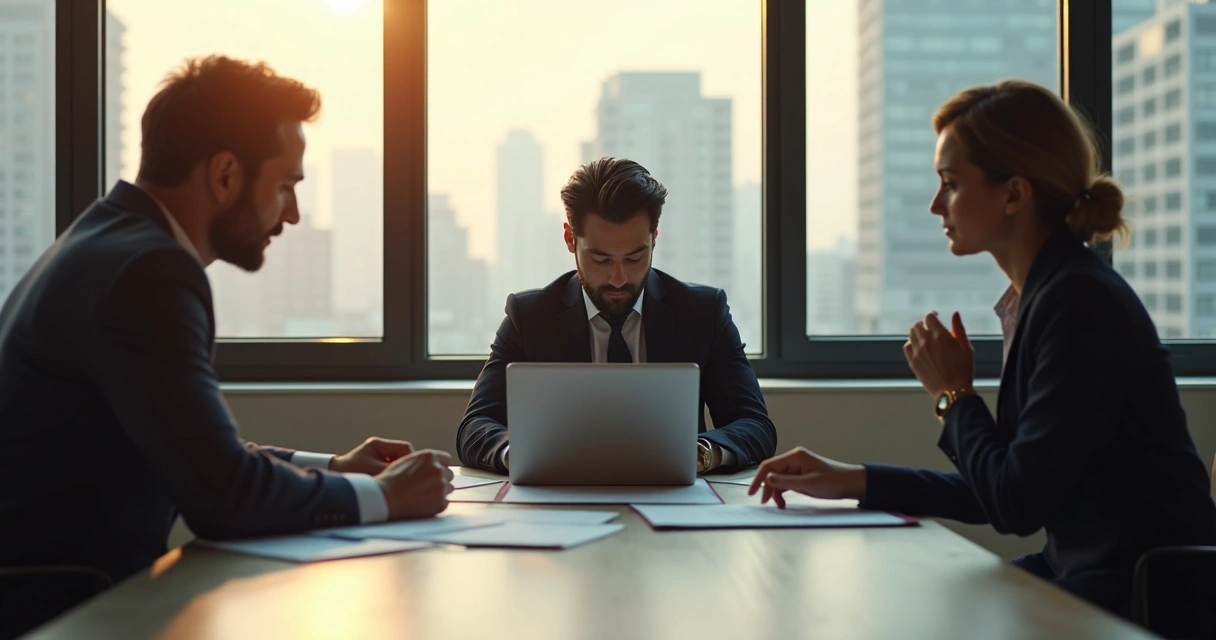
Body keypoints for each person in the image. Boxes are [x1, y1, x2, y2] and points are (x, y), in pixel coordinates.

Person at [0, 56, 453, 637]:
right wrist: (381, 497)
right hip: (59, 611)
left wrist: (333, 467)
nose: (292, 214)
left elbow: (201, 452)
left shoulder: (106, 238)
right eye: (286, 186)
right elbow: (224, 497)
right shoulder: (150, 272)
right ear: (224, 175)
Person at [749, 80, 1216, 625]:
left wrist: (953, 395)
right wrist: (852, 478)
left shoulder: (1078, 304)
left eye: (950, 184)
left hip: (1142, 598)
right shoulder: (1041, 295)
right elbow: (1008, 483)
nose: (934, 204)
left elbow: (1014, 502)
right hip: (1087, 577)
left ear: (1014, 194)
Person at [458, 157, 776, 475]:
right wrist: (521, 454)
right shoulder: (529, 317)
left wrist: (701, 453)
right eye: (601, 259)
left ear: (654, 237)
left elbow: (755, 425)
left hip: (676, 500)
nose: (619, 278)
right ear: (570, 239)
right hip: (558, 502)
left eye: (635, 257)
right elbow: (475, 426)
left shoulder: (703, 312)